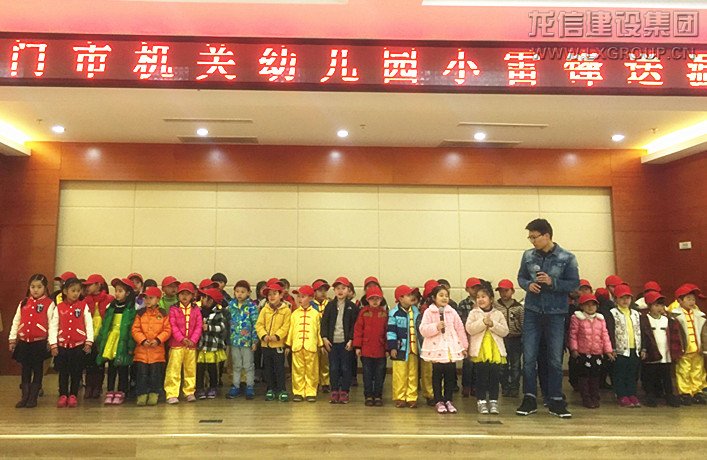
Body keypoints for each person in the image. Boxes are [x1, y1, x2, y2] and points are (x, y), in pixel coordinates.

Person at [516, 218, 579, 419]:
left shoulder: (567, 257)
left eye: (534, 237)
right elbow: (521, 277)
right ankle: (529, 398)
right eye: (530, 237)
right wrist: (528, 285)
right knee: (529, 358)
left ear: (547, 236)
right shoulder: (527, 255)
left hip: (555, 314)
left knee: (554, 359)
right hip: (532, 312)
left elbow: (574, 284)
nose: (532, 241)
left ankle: (556, 400)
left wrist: (553, 282)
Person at [419, 284, 468, 414]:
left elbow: (460, 328)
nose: (444, 298)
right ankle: (438, 401)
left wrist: (464, 346)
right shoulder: (429, 312)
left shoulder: (452, 311)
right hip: (436, 350)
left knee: (450, 376)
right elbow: (423, 329)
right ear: (434, 297)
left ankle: (448, 400)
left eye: (446, 295)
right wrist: (436, 327)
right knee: (436, 376)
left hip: (450, 349)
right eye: (441, 295)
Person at [9, 274, 54, 408]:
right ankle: (25, 396)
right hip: (24, 342)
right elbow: (16, 321)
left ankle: (33, 397)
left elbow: (52, 324)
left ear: (45, 288)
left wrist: (51, 341)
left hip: (39, 343)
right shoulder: (23, 303)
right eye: (33, 287)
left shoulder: (49, 304)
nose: (35, 290)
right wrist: (12, 338)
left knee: (38, 369)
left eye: (39, 287)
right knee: (25, 369)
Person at [48, 277, 94, 408]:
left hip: (78, 346)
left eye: (78, 291)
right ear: (65, 291)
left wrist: (89, 341)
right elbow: (53, 326)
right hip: (63, 346)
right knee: (63, 372)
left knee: (76, 371)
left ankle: (73, 394)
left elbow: (89, 324)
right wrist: (53, 344)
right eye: (73, 290)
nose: (75, 293)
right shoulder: (59, 307)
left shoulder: (83, 306)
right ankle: (63, 394)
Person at [95, 277, 138, 405]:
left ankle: (121, 390)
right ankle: (110, 390)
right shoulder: (111, 306)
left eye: (120, 291)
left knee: (123, 367)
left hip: (123, 339)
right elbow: (105, 324)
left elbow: (132, 328)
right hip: (111, 338)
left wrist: (131, 345)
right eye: (116, 291)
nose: (117, 294)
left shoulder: (131, 309)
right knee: (111, 366)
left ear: (128, 293)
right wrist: (101, 340)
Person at [467, 285, 509, 415]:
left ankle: (493, 401)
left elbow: (505, 331)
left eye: (483, 297)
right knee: (481, 376)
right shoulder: (473, 313)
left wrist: (492, 324)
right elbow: (469, 329)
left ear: (491, 299)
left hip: (495, 350)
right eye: (478, 297)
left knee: (494, 377)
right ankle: (481, 401)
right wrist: (483, 322)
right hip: (481, 350)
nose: (480, 299)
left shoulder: (498, 314)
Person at [567, 293, 614, 408]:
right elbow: (573, 335)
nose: (590, 307)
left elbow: (605, 335)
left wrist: (608, 350)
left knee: (595, 376)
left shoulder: (600, 319)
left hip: (597, 353)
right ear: (581, 306)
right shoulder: (577, 318)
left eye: (593, 305)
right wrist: (574, 349)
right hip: (582, 353)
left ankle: (595, 397)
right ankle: (586, 398)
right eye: (587, 304)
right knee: (583, 377)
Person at [638, 291, 682, 408]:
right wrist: (644, 349)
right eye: (656, 305)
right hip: (651, 354)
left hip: (666, 354)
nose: (659, 308)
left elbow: (674, 337)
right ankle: (650, 395)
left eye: (661, 305)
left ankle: (669, 395)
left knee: (666, 376)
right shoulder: (644, 320)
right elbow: (642, 336)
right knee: (650, 376)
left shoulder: (668, 320)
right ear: (649, 306)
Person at [321, 277, 359, 404]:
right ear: (334, 290)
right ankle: (334, 390)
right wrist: (324, 338)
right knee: (333, 368)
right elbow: (324, 323)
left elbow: (355, 325)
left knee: (346, 367)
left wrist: (351, 339)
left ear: (348, 290)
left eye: (343, 288)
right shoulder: (329, 306)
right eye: (338, 288)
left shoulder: (352, 307)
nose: (340, 291)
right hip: (332, 343)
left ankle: (345, 391)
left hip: (346, 343)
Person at [131, 286, 171, 406]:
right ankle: (142, 394)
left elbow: (167, 330)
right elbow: (135, 329)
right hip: (142, 351)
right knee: (141, 374)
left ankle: (154, 393)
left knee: (155, 374)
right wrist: (142, 340)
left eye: (151, 298)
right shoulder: (140, 313)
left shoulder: (163, 313)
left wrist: (158, 340)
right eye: (146, 298)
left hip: (157, 351)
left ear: (158, 299)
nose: (147, 300)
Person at [165, 282, 203, 404]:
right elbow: (172, 325)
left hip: (191, 345)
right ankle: (172, 393)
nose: (185, 296)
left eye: (187, 294)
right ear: (178, 295)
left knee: (190, 369)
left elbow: (199, 326)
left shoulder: (196, 309)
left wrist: (193, 340)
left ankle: (189, 391)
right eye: (182, 294)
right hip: (176, 344)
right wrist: (181, 338)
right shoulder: (173, 309)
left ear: (192, 295)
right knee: (173, 369)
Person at [606, 284, 642, 407]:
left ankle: (632, 394)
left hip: (634, 349)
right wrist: (612, 348)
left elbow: (640, 330)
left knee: (632, 373)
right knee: (620, 373)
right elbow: (610, 331)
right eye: (622, 298)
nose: (625, 300)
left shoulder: (636, 314)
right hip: (620, 349)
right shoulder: (612, 313)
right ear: (616, 299)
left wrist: (642, 348)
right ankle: (621, 394)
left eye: (628, 297)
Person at [255, 281, 291, 402]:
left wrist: (277, 336)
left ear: (281, 295)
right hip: (266, 345)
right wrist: (263, 335)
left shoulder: (286, 310)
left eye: (274, 293)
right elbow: (259, 325)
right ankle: (270, 389)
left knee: (279, 368)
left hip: (278, 345)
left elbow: (286, 326)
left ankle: (282, 389)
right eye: (269, 294)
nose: (271, 296)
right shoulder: (264, 310)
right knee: (268, 368)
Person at [671, 284, 707, 405]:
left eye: (693, 299)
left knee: (698, 370)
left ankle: (697, 391)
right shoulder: (675, 315)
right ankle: (685, 392)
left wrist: (704, 347)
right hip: (684, 350)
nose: (692, 302)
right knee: (683, 371)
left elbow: (703, 333)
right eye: (688, 299)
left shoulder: (699, 315)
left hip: (697, 349)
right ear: (680, 300)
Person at [353, 286, 388, 407]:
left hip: (380, 349)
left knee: (379, 374)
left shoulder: (384, 314)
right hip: (366, 349)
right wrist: (357, 346)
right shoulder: (363, 313)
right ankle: (368, 395)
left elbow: (387, 331)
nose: (375, 301)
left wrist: (387, 348)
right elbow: (358, 330)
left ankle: (378, 395)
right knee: (367, 374)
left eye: (377, 298)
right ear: (367, 300)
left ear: (381, 300)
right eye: (372, 298)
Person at [286, 285, 322, 402]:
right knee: (297, 370)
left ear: (311, 298)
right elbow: (291, 330)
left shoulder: (316, 314)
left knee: (312, 371)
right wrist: (288, 344)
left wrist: (320, 344)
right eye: (298, 297)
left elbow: (318, 330)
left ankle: (311, 391)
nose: (300, 299)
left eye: (303, 296)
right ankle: (298, 391)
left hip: (311, 346)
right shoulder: (294, 314)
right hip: (297, 346)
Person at [387, 285, 420, 408]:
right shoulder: (394, 313)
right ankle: (400, 397)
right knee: (400, 374)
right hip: (400, 349)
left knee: (413, 374)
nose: (412, 297)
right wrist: (392, 347)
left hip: (413, 349)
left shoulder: (416, 311)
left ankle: (412, 397)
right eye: (409, 295)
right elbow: (391, 331)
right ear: (400, 298)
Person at [82, 274, 115, 399]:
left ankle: (98, 386)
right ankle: (88, 386)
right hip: (89, 336)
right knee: (89, 362)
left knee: (100, 362)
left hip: (103, 334)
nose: (87, 288)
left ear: (98, 285)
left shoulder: (109, 299)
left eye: (90, 285)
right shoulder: (85, 301)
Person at [227, 280, 259, 400]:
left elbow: (255, 324)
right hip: (235, 341)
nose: (239, 294)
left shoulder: (252, 307)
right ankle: (236, 385)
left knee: (248, 365)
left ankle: (249, 386)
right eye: (237, 291)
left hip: (247, 342)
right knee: (236, 365)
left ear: (248, 293)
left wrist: (254, 341)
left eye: (243, 292)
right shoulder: (231, 306)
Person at [493, 279, 524, 398]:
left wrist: (523, 338)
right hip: (501, 339)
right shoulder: (495, 306)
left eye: (506, 290)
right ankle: (505, 386)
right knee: (502, 365)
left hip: (515, 339)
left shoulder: (519, 308)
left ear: (512, 291)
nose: (503, 293)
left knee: (515, 365)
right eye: (501, 291)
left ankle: (515, 387)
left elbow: (523, 323)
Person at [196, 288, 227, 399]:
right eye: (203, 297)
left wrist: (209, 327)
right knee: (200, 368)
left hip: (212, 346)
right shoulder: (199, 311)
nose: (203, 299)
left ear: (212, 300)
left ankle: (213, 386)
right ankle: (199, 387)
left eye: (206, 298)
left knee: (212, 368)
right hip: (202, 345)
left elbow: (222, 327)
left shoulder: (218, 314)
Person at [456, 277, 481, 397]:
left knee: (478, 362)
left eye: (477, 287)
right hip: (466, 336)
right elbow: (460, 322)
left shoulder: (482, 302)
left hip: (479, 336)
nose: (475, 290)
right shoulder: (463, 304)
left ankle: (476, 386)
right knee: (467, 363)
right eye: (473, 288)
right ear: (467, 289)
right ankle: (466, 386)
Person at [312, 279, 331, 393]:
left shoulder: (330, 304)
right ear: (314, 292)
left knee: (325, 361)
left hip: (326, 337)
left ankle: (325, 382)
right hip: (313, 337)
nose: (323, 293)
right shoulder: (310, 305)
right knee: (314, 362)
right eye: (320, 290)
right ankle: (315, 382)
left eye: (325, 290)